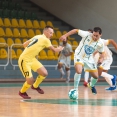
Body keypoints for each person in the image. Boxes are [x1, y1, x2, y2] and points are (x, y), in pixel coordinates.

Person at [18, 26, 64, 99]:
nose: (52, 35)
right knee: (30, 81)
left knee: (44, 73)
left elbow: (24, 44)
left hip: (32, 59)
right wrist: (60, 48)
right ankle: (22, 92)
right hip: (24, 60)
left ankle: (35, 86)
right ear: (45, 32)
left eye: (52, 33)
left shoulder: (37, 36)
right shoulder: (46, 40)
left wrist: (31, 51)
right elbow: (54, 51)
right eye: (50, 33)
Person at [60, 27, 105, 98]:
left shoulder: (101, 43)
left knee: (96, 77)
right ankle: (75, 89)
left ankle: (91, 85)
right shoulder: (86, 34)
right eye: (94, 35)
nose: (94, 37)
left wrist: (101, 58)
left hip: (89, 59)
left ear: (100, 35)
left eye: (97, 36)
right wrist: (65, 35)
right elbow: (75, 30)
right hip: (79, 56)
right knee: (79, 71)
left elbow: (102, 52)